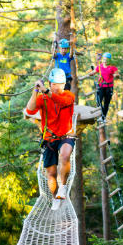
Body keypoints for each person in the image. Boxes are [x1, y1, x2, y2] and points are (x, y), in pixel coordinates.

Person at [26, 68, 76, 210]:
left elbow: (60, 102)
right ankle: (55, 197)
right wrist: (35, 91)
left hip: (66, 135)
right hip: (49, 139)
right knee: (51, 174)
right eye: (54, 84)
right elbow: (30, 110)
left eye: (60, 84)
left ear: (64, 84)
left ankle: (64, 187)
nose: (57, 87)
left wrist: (46, 91)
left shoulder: (69, 96)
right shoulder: (43, 98)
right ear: (50, 83)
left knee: (65, 155)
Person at [93, 52, 119, 120]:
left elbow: (117, 74)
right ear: (102, 59)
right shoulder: (100, 66)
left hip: (109, 87)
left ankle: (103, 117)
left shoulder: (112, 67)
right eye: (104, 58)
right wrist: (89, 74)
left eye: (107, 59)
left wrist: (116, 75)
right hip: (101, 86)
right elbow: (94, 72)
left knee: (106, 103)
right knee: (98, 101)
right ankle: (101, 115)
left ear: (109, 60)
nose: (105, 60)